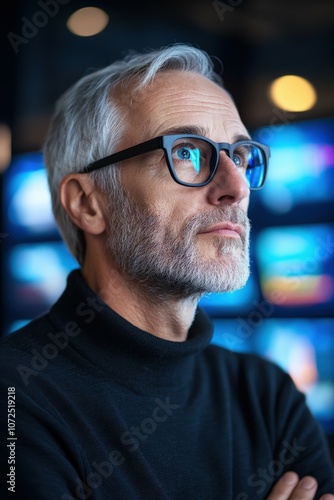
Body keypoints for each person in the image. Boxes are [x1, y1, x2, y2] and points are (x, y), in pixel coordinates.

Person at [0, 43, 333, 500]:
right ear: (88, 204)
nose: (235, 187)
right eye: (188, 154)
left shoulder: (266, 394)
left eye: (239, 155)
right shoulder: (15, 397)